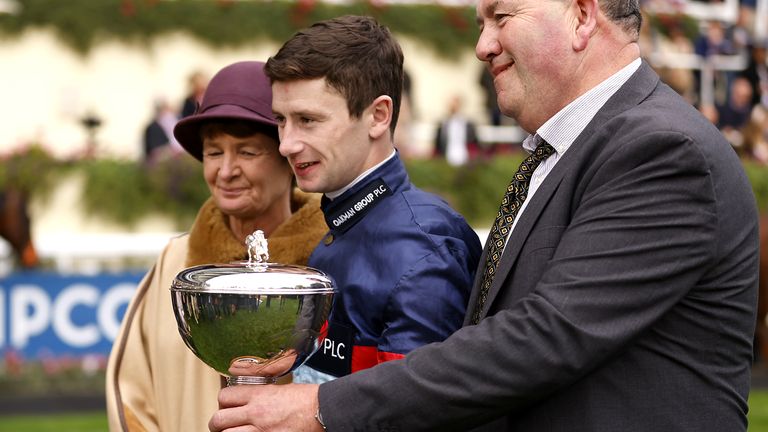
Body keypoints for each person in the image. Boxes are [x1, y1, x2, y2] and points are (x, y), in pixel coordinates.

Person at [209, 1, 759, 431]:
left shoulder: (661, 148)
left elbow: (543, 338)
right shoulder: (569, 149)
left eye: (500, 16)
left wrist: (321, 407)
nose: (481, 45)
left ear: (583, 16)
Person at [105, 61, 328, 432]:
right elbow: (131, 396)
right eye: (213, 152)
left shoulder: (330, 262)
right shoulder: (175, 261)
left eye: (247, 152)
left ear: (290, 157)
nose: (225, 171)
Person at [263, 15, 482, 385]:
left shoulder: (422, 247)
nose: (286, 144)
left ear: (378, 116)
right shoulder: (343, 225)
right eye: (281, 120)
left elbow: (415, 411)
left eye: (307, 120)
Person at [434, 94, 480, 166]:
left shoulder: (467, 124)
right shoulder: (443, 124)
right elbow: (438, 144)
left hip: (465, 159)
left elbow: (475, 143)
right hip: (447, 160)